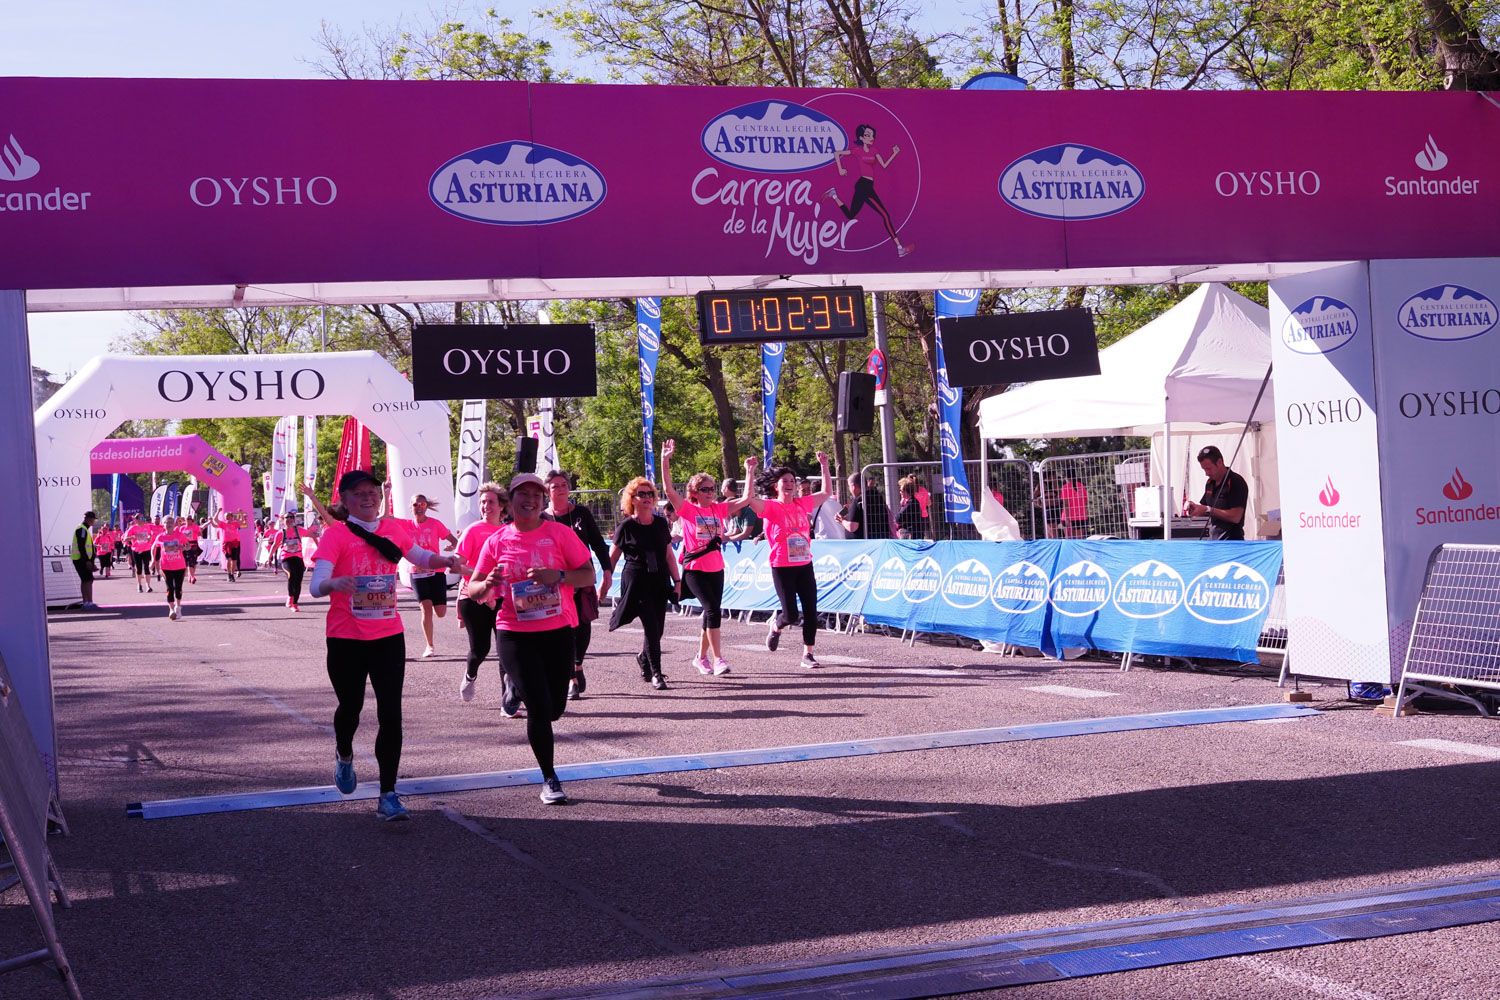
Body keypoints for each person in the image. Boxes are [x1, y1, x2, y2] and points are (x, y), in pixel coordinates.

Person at [308, 469, 464, 822]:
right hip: (346, 638)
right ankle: (344, 753)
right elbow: (315, 586)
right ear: (345, 501)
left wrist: (444, 561)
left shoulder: (393, 528)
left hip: (387, 636)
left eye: (372, 492)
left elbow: (420, 556)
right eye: (359, 493)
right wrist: (334, 583)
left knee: (390, 714)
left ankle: (388, 793)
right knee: (350, 707)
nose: (368, 497)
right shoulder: (336, 536)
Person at [467, 473, 596, 806]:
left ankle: (515, 685)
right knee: (539, 709)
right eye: (523, 494)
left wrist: (561, 576)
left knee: (554, 708)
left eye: (537, 495)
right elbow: (474, 590)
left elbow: (588, 574)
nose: (531, 500)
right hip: (514, 632)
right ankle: (550, 778)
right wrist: (489, 583)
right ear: (512, 501)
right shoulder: (496, 541)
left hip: (556, 631)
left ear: (543, 500)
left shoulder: (560, 534)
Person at [660, 440, 750, 677]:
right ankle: (718, 658)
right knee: (712, 611)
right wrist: (665, 460)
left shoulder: (719, 509)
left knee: (711, 612)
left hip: (716, 569)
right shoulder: (688, 509)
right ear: (695, 492)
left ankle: (700, 658)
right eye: (705, 489)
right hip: (694, 569)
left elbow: (747, 498)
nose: (710, 493)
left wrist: (750, 472)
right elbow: (669, 490)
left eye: (712, 489)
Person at [743, 451, 833, 669]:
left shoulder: (802, 504)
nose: (790, 484)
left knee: (811, 610)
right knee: (791, 614)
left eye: (792, 480)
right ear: (776, 485)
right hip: (782, 566)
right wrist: (750, 471)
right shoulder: (771, 506)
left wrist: (824, 466)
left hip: (804, 563)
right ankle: (776, 626)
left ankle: (808, 654)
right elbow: (748, 499)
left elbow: (827, 492)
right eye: (785, 481)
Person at [607, 476, 682, 690]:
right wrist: (603, 585)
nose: (647, 498)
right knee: (651, 626)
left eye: (650, 494)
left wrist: (677, 581)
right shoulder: (626, 527)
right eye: (642, 494)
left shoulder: (660, 523)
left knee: (657, 629)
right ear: (633, 499)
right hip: (636, 581)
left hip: (659, 580)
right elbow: (611, 559)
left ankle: (643, 657)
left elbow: (669, 555)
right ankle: (656, 673)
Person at [543, 470, 611, 701]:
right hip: (556, 582)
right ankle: (571, 676)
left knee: (582, 623)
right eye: (554, 486)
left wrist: (608, 573)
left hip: (582, 577)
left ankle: (578, 664)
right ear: (547, 491)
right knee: (562, 627)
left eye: (563, 485)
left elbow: (599, 544)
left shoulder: (581, 513)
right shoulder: (543, 518)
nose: (560, 489)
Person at [824, 123, 914, 257]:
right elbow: (837, 153)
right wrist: (840, 168)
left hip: (867, 186)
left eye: (872, 135)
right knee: (885, 215)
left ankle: (834, 195)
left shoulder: (875, 151)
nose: (871, 137)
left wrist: (894, 154)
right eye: (867, 135)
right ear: (861, 137)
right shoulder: (857, 150)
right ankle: (899, 248)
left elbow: (884, 165)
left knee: (850, 215)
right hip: (863, 186)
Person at [454, 482, 507, 706]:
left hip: (502, 598)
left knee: (506, 649)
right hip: (473, 597)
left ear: (502, 506)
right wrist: (481, 581)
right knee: (481, 649)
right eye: (483, 502)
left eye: (491, 502)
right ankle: (470, 674)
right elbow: (457, 565)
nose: (486, 506)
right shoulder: (473, 530)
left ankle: (509, 700)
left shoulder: (508, 531)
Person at [401, 494, 457, 659]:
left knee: (440, 612)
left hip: (436, 572)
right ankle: (429, 646)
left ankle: (436, 605)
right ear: (411, 507)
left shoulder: (435, 524)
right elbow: (386, 521)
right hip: (417, 573)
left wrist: (451, 546)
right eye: (415, 504)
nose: (419, 507)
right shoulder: (405, 525)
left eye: (422, 504)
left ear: (426, 506)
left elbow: (453, 540)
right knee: (425, 608)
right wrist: (386, 494)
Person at [1185, 445, 1250, 541]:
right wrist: (1193, 507)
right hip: (1213, 542)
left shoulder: (1236, 481)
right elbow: (1204, 508)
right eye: (1204, 469)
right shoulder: (1210, 483)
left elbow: (1236, 517)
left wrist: (1208, 509)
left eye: (1208, 468)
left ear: (1219, 462)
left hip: (1232, 543)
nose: (1206, 473)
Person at [270, 513, 310, 611]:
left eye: (292, 517)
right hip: (286, 559)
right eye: (287, 517)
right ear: (283, 520)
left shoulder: (299, 530)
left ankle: (295, 604)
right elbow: (275, 545)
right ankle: (290, 596)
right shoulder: (280, 533)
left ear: (294, 519)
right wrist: (269, 557)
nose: (289, 519)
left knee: (298, 581)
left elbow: (312, 535)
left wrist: (319, 547)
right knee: (291, 575)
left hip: (298, 558)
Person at [153, 519, 190, 619]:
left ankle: (178, 607)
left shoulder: (180, 535)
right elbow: (154, 547)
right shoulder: (160, 537)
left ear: (174, 525)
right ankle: (171, 609)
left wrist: (184, 547)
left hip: (179, 566)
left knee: (178, 588)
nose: (168, 524)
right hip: (166, 566)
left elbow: (188, 546)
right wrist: (152, 561)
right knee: (170, 587)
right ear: (163, 524)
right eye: (166, 522)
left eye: (171, 523)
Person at [71, 511, 98, 610]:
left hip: (81, 559)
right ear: (88, 519)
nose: (93, 521)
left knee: (86, 580)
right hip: (81, 560)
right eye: (92, 519)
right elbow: (81, 546)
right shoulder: (82, 529)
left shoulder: (84, 529)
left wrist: (91, 562)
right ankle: (88, 603)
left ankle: (86, 602)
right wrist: (87, 561)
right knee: (88, 580)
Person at [124, 514, 157, 593]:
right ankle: (139, 585)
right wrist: (132, 537)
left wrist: (149, 538)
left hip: (146, 549)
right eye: (141, 518)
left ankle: (148, 586)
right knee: (138, 568)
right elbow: (125, 539)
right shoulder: (132, 528)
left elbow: (150, 535)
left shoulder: (147, 527)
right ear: (136, 520)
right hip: (136, 550)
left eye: (143, 518)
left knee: (146, 567)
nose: (142, 519)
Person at [213, 510, 244, 581]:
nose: (228, 517)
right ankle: (229, 573)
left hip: (235, 543)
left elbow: (242, 521)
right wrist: (218, 511)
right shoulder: (223, 524)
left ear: (232, 517)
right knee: (228, 559)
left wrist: (241, 513)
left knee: (234, 560)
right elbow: (215, 519)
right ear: (224, 517)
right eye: (227, 516)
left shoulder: (235, 523)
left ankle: (232, 574)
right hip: (226, 544)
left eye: (230, 516)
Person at [176, 514, 203, 585]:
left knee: (192, 561)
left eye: (189, 519)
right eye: (187, 519)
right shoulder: (182, 528)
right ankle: (191, 576)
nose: (188, 521)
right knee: (186, 562)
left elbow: (200, 534)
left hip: (193, 544)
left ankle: (192, 576)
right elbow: (179, 536)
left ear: (192, 520)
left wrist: (199, 533)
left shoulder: (195, 527)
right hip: (184, 545)